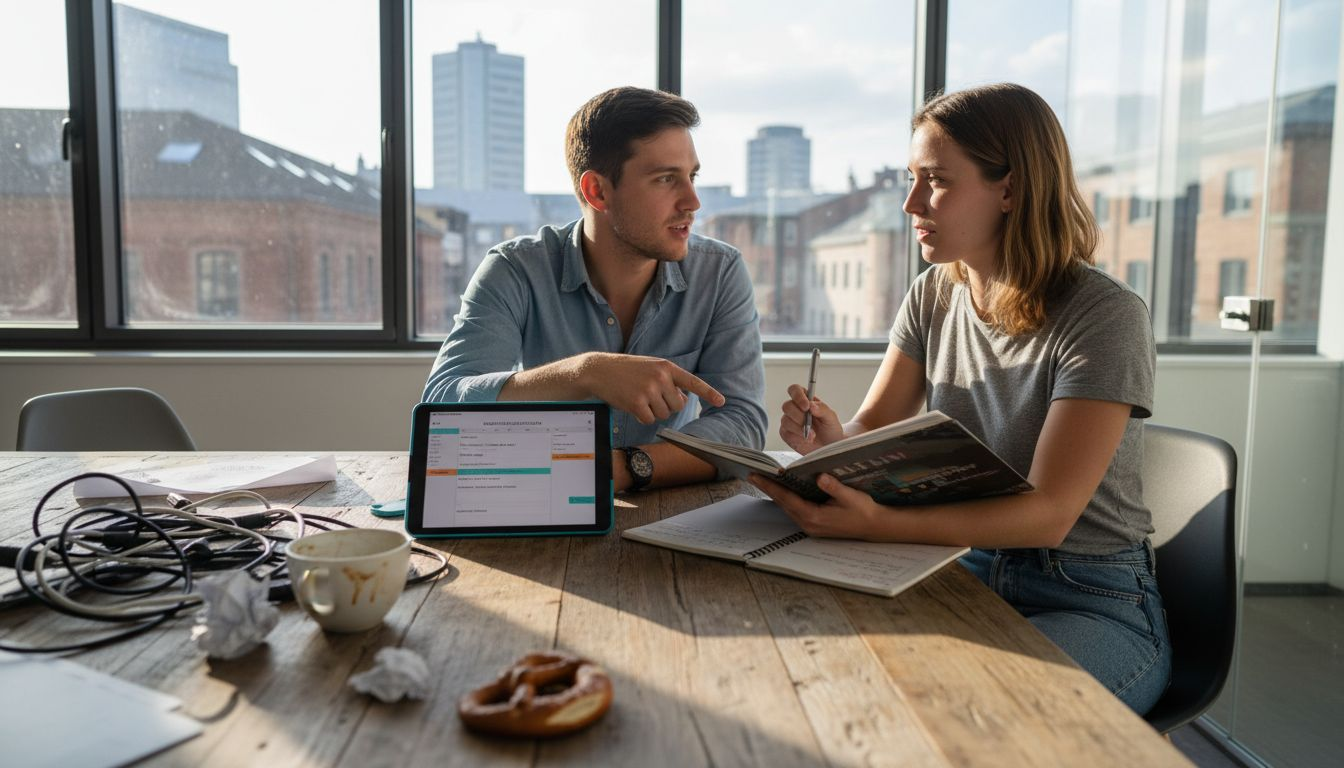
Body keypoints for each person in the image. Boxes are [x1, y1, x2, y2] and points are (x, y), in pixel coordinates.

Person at [748, 83, 1170, 714]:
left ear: (1010, 189)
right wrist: (831, 442)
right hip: (957, 563)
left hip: (1086, 593)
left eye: (936, 181)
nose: (910, 202)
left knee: (987, 716)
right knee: (824, 672)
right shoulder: (934, 295)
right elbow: (873, 425)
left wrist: (880, 526)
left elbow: (1048, 513)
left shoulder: (1105, 316)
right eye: (913, 178)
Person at [423, 86, 767, 494]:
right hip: (537, 503)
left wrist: (624, 467)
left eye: (691, 177)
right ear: (597, 191)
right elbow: (440, 411)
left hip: (667, 502)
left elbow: (743, 422)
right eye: (665, 179)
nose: (692, 201)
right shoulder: (515, 269)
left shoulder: (720, 272)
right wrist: (585, 373)